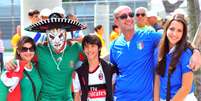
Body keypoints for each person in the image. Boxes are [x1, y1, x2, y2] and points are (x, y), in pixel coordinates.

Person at [110, 6, 201, 100]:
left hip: (146, 98)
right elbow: (114, 71)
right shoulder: (114, 46)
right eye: (123, 16)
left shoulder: (149, 37)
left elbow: (176, 39)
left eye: (131, 15)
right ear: (116, 21)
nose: (128, 18)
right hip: (121, 97)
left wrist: (196, 51)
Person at [7, 12, 86, 101]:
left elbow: (93, 59)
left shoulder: (75, 49)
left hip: (66, 98)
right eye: (52, 36)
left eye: (60, 35)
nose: (56, 40)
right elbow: (23, 57)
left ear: (65, 34)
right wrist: (12, 62)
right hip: (45, 98)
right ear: (47, 36)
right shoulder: (40, 50)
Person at [154, 15, 197, 101]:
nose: (174, 34)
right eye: (172, 29)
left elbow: (186, 88)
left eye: (179, 31)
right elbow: (157, 78)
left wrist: (197, 51)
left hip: (184, 98)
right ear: (166, 29)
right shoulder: (158, 51)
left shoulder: (186, 53)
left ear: (183, 34)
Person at [73, 35, 117, 101]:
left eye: (92, 46)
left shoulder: (110, 69)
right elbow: (77, 96)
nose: (89, 50)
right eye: (86, 47)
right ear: (83, 49)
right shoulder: (79, 72)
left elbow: (113, 91)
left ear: (99, 48)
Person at [0, 36, 42, 101]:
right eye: (24, 49)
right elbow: (2, 94)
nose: (28, 52)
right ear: (18, 51)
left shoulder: (36, 67)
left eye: (31, 49)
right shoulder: (12, 67)